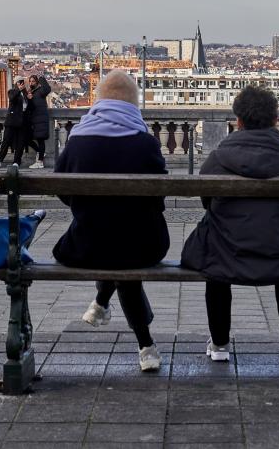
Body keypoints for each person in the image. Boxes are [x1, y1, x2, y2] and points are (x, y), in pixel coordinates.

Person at [181, 84, 279, 363]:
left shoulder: (218, 159)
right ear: (275, 121)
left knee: (214, 261)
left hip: (227, 252)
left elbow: (207, 201)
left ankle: (219, 344)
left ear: (238, 122)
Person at [52, 70, 168, 373]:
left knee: (109, 241)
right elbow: (159, 200)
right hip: (145, 246)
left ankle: (102, 305)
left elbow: (64, 193)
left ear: (98, 101)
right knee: (124, 254)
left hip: (87, 245)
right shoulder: (145, 144)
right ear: (134, 104)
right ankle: (144, 345)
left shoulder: (76, 142)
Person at [0, 78, 28, 168]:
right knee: (6, 141)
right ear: (15, 83)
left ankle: (17, 162)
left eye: (22, 82)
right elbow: (12, 98)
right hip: (12, 121)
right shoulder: (12, 91)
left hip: (22, 122)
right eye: (19, 82)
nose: (21, 84)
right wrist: (19, 90)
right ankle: (0, 159)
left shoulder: (25, 94)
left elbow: (27, 107)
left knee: (20, 143)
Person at [22, 74, 52, 169]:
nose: (31, 83)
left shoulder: (40, 91)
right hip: (34, 121)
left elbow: (47, 89)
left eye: (33, 81)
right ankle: (40, 153)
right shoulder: (31, 93)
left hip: (41, 120)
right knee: (27, 139)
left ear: (37, 82)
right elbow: (30, 107)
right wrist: (29, 99)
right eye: (30, 81)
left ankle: (40, 162)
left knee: (40, 140)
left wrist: (41, 78)